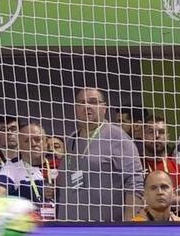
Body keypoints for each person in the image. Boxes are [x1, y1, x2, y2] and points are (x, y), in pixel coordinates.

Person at [60, 87, 140, 222]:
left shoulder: (118, 137)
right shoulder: (71, 140)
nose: (87, 106)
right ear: (75, 109)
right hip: (69, 228)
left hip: (104, 229)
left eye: (93, 102)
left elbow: (135, 183)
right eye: (81, 102)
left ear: (104, 108)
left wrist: (128, 227)